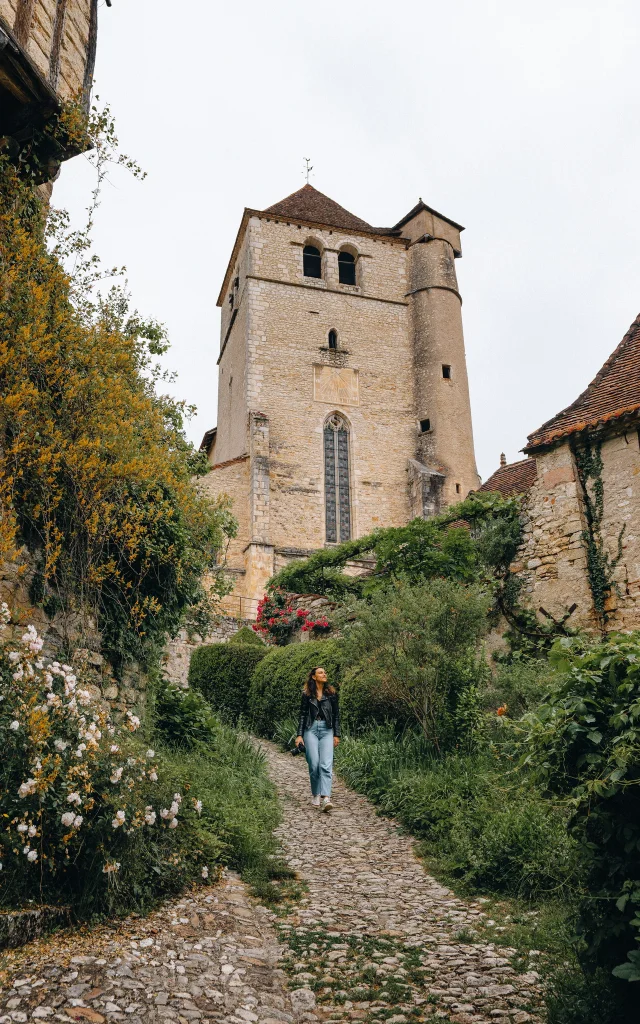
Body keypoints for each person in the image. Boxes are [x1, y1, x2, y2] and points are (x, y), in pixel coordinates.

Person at [295, 666, 341, 811]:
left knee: (326, 764)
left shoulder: (331, 694)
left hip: (327, 730)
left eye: (325, 672)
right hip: (311, 729)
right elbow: (303, 715)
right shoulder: (307, 694)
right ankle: (316, 793)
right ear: (314, 677)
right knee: (314, 764)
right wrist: (299, 735)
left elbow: (336, 715)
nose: (324, 674)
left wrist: (336, 734)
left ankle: (326, 798)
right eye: (321, 673)